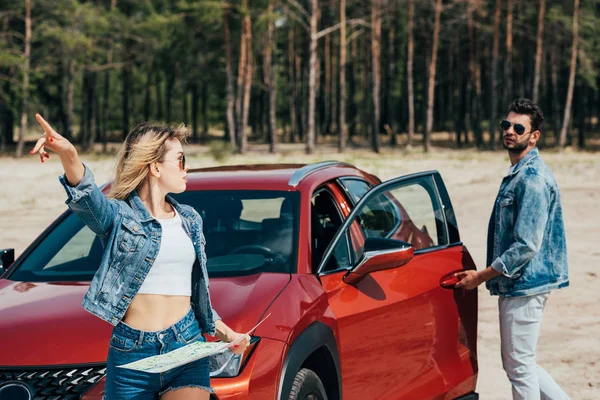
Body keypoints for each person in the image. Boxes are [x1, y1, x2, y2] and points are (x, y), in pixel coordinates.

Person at [30, 114, 250, 400]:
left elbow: (197, 297)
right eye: (181, 160)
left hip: (186, 344)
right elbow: (87, 199)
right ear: (155, 167)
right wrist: (69, 154)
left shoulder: (190, 221)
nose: (187, 168)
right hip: (132, 352)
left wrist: (227, 334)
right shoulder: (119, 217)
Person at [455, 99, 570, 400]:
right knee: (522, 364)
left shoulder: (531, 179)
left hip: (525, 284)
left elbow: (526, 245)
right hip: (522, 283)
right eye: (506, 125)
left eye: (519, 127)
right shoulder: (520, 172)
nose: (509, 131)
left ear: (534, 136)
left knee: (518, 367)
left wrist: (481, 276)